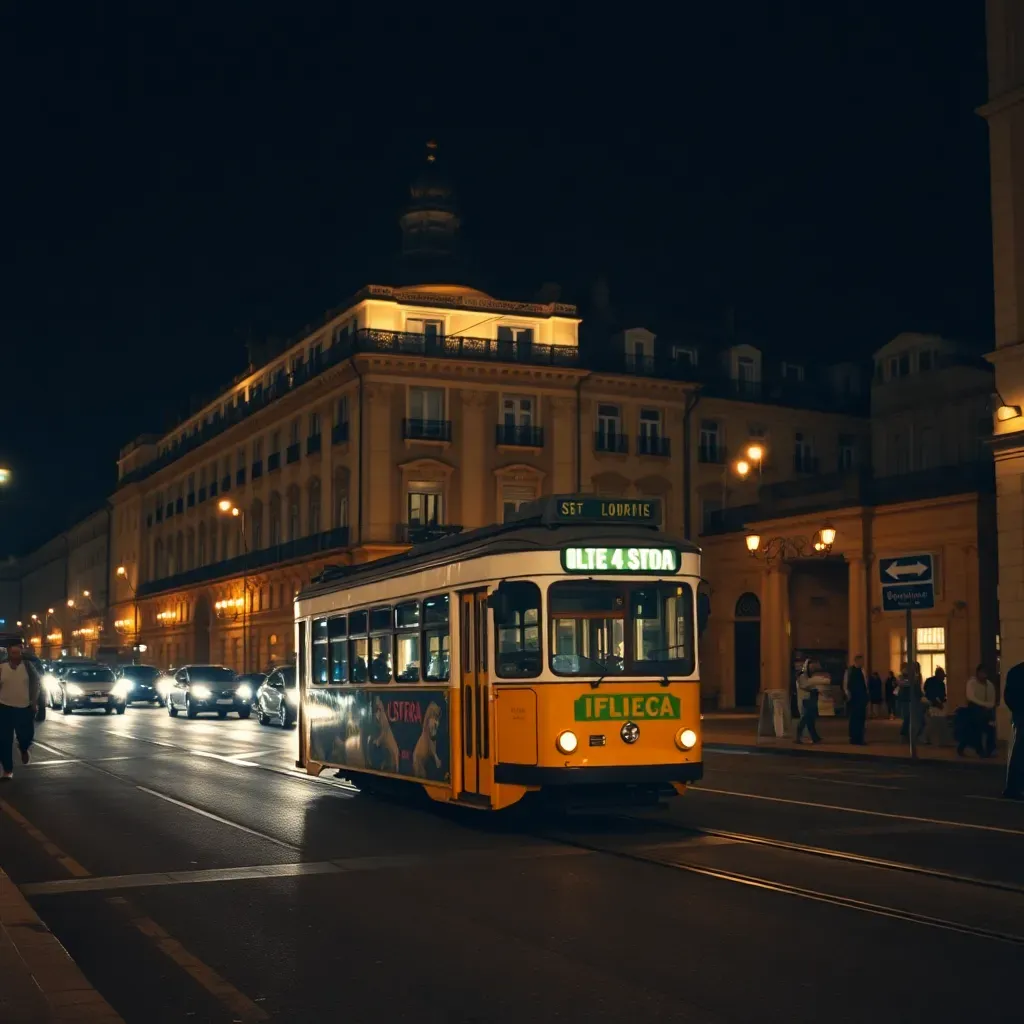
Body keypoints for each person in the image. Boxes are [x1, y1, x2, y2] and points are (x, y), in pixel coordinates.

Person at [0, 640, 42, 780]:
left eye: (18, 652)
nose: (16, 655)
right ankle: (7, 770)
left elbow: (36, 683)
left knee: (26, 736)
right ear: (8, 653)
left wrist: (34, 702)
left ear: (21, 652)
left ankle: (24, 748)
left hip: (24, 707)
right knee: (4, 740)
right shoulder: (2, 666)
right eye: (13, 653)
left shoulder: (28, 666)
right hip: (4, 707)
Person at [959, 664, 997, 758]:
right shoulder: (972, 683)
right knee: (974, 730)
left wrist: (989, 706)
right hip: (974, 710)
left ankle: (989, 749)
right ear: (977, 673)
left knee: (990, 728)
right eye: (982, 673)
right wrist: (984, 705)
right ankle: (978, 749)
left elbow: (992, 698)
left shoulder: (989, 685)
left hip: (987, 710)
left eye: (985, 673)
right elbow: (971, 697)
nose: (983, 675)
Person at [1003, 662, 1023, 800]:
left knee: (1019, 752)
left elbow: (1008, 696)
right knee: (1019, 752)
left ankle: (1014, 787)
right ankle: (1013, 788)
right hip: (1022, 715)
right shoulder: (1017, 672)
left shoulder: (1016, 671)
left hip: (1020, 715)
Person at [795, 659, 823, 744]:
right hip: (805, 700)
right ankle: (798, 737)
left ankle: (815, 737)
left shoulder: (808, 676)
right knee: (805, 719)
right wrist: (813, 688)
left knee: (810, 719)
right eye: (811, 666)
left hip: (810, 699)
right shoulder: (803, 675)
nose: (812, 668)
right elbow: (804, 685)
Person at [843, 654, 868, 745]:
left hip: (862, 698)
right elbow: (845, 684)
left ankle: (860, 738)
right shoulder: (850, 671)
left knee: (861, 718)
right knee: (854, 718)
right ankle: (854, 737)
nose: (863, 663)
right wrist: (848, 694)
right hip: (853, 698)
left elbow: (865, 684)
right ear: (857, 661)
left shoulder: (863, 671)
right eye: (861, 661)